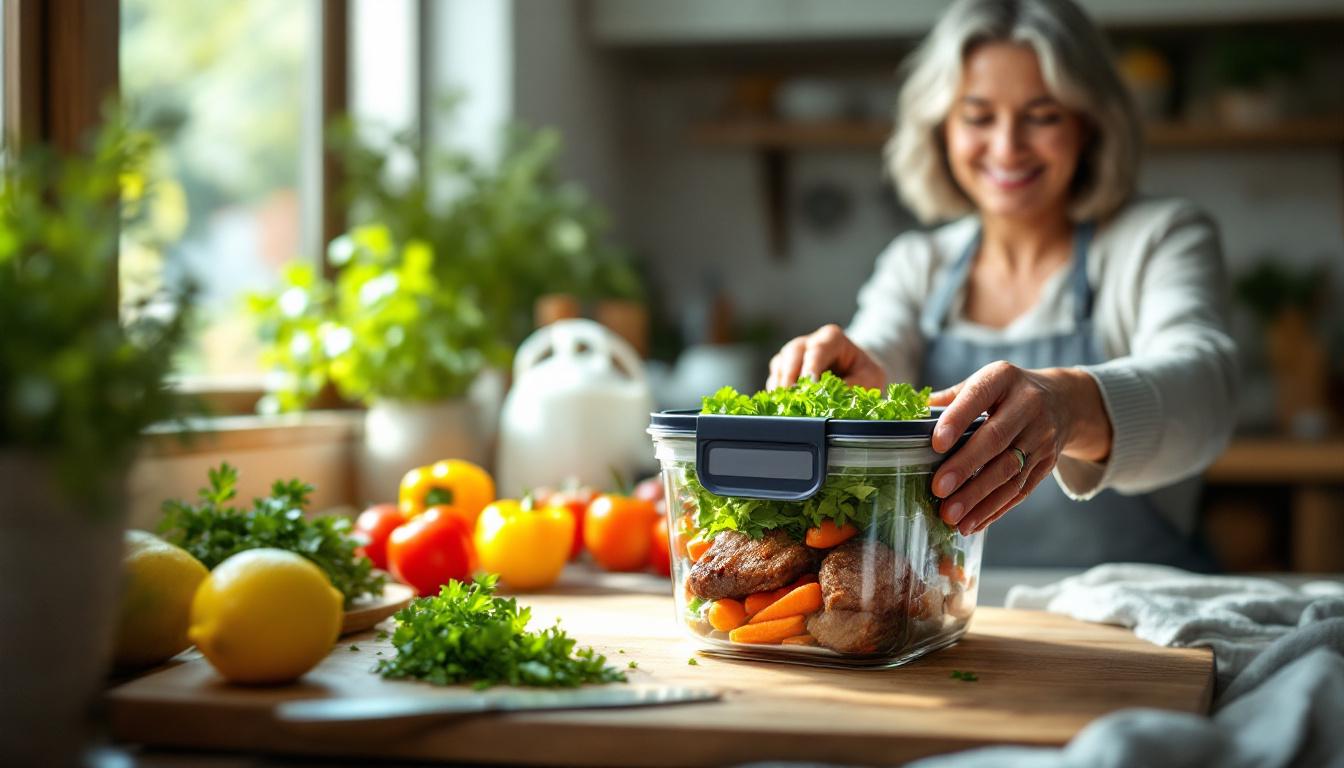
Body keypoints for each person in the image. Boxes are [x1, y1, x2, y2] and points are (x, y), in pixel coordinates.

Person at [767, 0, 1238, 569]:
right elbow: (880, 348)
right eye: (978, 116)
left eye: (1042, 115)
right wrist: (857, 383)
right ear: (941, 129)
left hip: (1137, 611)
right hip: (957, 619)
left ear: (1089, 125)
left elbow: (1207, 387)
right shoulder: (917, 263)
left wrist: (1069, 406)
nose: (1008, 145)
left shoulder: (1160, 239)